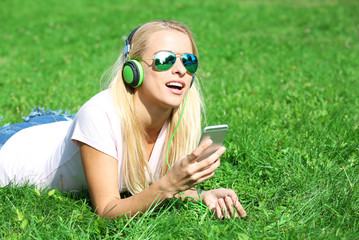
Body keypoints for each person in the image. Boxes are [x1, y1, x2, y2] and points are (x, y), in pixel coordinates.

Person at [0, 20, 246, 219]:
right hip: (12, 151)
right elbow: (107, 209)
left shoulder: (181, 116)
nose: (180, 69)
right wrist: (169, 185)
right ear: (133, 69)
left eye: (188, 60)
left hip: (59, 129)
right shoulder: (99, 113)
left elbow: (146, 182)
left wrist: (201, 194)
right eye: (165, 60)